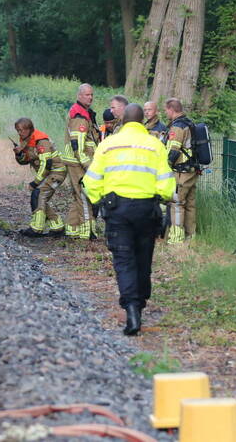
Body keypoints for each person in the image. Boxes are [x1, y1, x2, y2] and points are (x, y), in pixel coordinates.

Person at [84, 103, 175, 335]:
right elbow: (166, 184)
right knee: (143, 259)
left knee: (124, 260)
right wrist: (160, 199)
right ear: (142, 121)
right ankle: (140, 304)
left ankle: (132, 311)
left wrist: (100, 201)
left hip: (118, 210)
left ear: (123, 121)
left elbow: (91, 181)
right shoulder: (155, 145)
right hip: (147, 210)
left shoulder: (107, 145)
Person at [13, 117, 67, 237]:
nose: (19, 133)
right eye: (17, 130)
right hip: (49, 173)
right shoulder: (25, 140)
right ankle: (57, 226)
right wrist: (19, 154)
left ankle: (36, 229)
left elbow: (46, 164)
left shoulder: (41, 140)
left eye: (21, 130)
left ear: (29, 129)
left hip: (56, 172)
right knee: (41, 198)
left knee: (38, 195)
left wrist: (35, 182)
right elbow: (25, 161)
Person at [62, 83, 100, 239]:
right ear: (79, 95)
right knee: (84, 195)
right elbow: (77, 144)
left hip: (76, 161)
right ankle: (86, 232)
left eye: (91, 95)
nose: (90, 97)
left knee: (78, 195)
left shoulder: (84, 112)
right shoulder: (80, 115)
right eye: (86, 95)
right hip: (78, 162)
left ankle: (72, 228)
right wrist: (87, 165)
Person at [164, 98, 200, 244]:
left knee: (177, 203)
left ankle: (176, 238)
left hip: (181, 172)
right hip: (191, 169)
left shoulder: (178, 126)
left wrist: (164, 168)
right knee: (190, 204)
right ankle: (191, 236)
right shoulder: (189, 123)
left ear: (171, 109)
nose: (165, 113)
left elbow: (173, 151)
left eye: (166, 110)